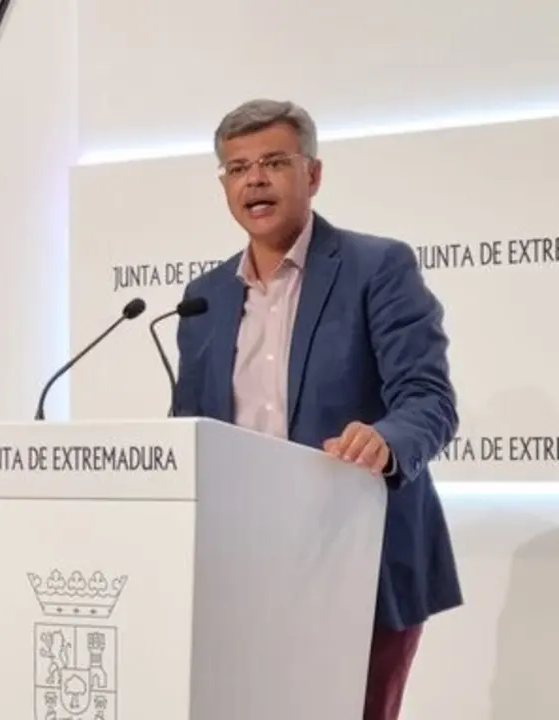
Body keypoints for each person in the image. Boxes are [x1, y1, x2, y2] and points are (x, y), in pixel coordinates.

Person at [171, 99, 462, 720]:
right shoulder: (204, 297)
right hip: (242, 564)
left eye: (274, 162)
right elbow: (188, 426)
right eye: (237, 168)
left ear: (313, 174)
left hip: (356, 554)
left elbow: (428, 398)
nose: (255, 180)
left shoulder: (377, 267)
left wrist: (385, 439)